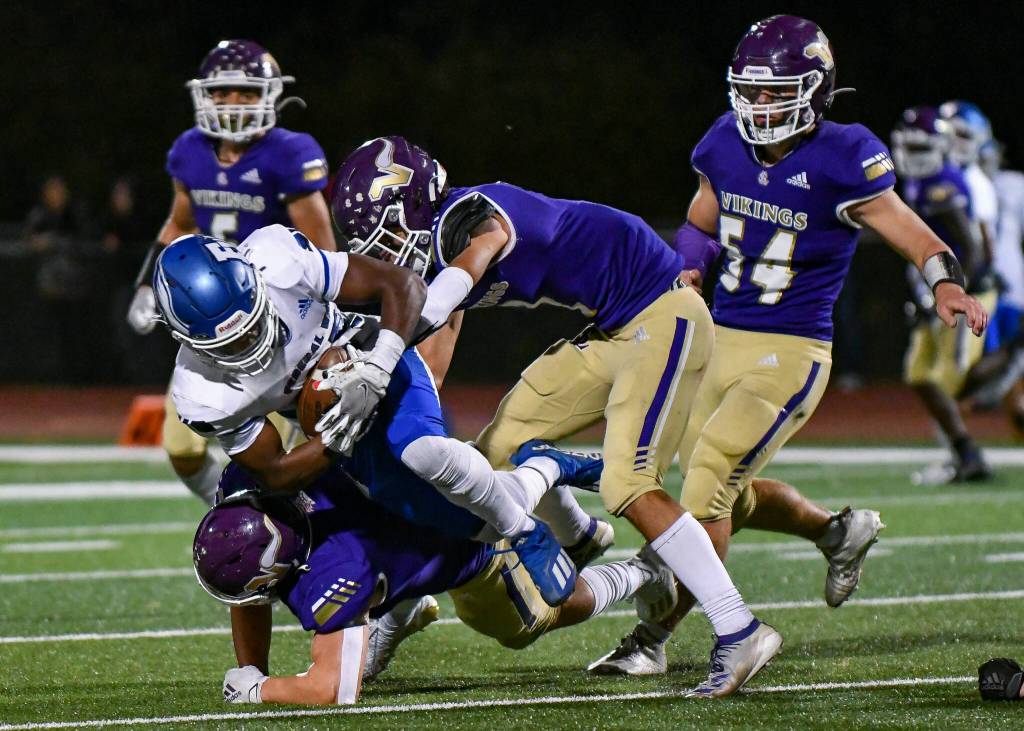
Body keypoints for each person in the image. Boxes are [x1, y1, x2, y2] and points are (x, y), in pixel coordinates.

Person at [591, 15, 988, 675]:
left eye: (776, 92)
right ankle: (836, 530)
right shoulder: (723, 142)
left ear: (815, 89)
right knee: (728, 495)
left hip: (790, 350)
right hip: (718, 338)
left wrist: (944, 280)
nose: (759, 104)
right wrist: (687, 265)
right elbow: (700, 219)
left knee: (711, 480)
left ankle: (661, 638)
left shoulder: (844, 153)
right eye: (750, 90)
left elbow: (912, 231)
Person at [332, 136, 780, 698]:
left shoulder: (469, 216)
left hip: (664, 312)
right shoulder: (438, 265)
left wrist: (381, 353)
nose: (385, 249)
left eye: (390, 231)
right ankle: (578, 538)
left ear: (418, 204)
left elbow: (462, 275)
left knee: (629, 482)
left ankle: (740, 628)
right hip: (612, 329)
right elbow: (432, 362)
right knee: (494, 453)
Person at [152, 226, 594, 608]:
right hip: (333, 429)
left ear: (252, 280)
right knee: (471, 525)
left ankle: (524, 532)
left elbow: (401, 286)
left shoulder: (277, 261)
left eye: (251, 323)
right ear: (184, 340)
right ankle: (548, 466)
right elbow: (278, 474)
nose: (251, 344)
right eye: (229, 345)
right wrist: (337, 434)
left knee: (422, 453)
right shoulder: (201, 394)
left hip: (372, 355)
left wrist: (377, 369)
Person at [195, 465, 677, 706]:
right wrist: (249, 664)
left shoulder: (337, 572)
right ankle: (397, 607)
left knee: (534, 619)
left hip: (474, 547)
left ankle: (643, 571)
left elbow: (333, 688)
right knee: (380, 572)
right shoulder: (250, 481)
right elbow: (252, 591)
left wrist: (258, 688)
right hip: (426, 504)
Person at [126, 39, 337, 504]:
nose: (234, 103)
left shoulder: (288, 153)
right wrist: (146, 284)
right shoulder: (190, 151)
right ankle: (227, 513)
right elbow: (179, 224)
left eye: (245, 92)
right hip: (212, 323)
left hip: (275, 319)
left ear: (269, 95)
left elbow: (323, 247)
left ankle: (298, 534)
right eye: (224, 92)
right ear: (206, 95)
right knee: (181, 447)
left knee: (277, 453)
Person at [891, 105, 996, 484]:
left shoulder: (946, 182)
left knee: (948, 378)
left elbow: (970, 248)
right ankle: (964, 452)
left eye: (923, 149)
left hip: (956, 294)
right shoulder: (917, 182)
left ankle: (966, 456)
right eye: (910, 148)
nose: (915, 158)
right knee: (918, 375)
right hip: (931, 293)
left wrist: (952, 292)